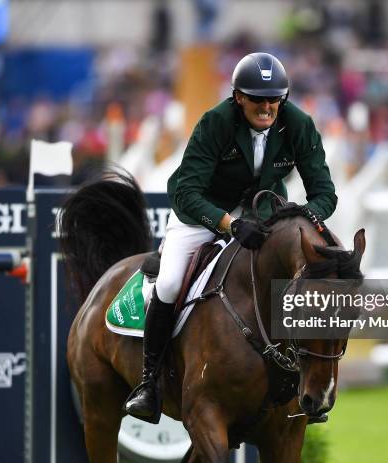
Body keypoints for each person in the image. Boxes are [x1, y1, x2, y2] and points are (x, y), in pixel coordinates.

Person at [124, 52, 337, 422]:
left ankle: (305, 384)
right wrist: (229, 225)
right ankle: (149, 384)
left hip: (265, 217)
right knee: (171, 282)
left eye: (274, 99)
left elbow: (325, 193)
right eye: (258, 99)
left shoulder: (299, 125)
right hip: (201, 215)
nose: (267, 107)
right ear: (239, 96)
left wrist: (298, 219)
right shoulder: (215, 123)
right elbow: (186, 192)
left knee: (296, 284)